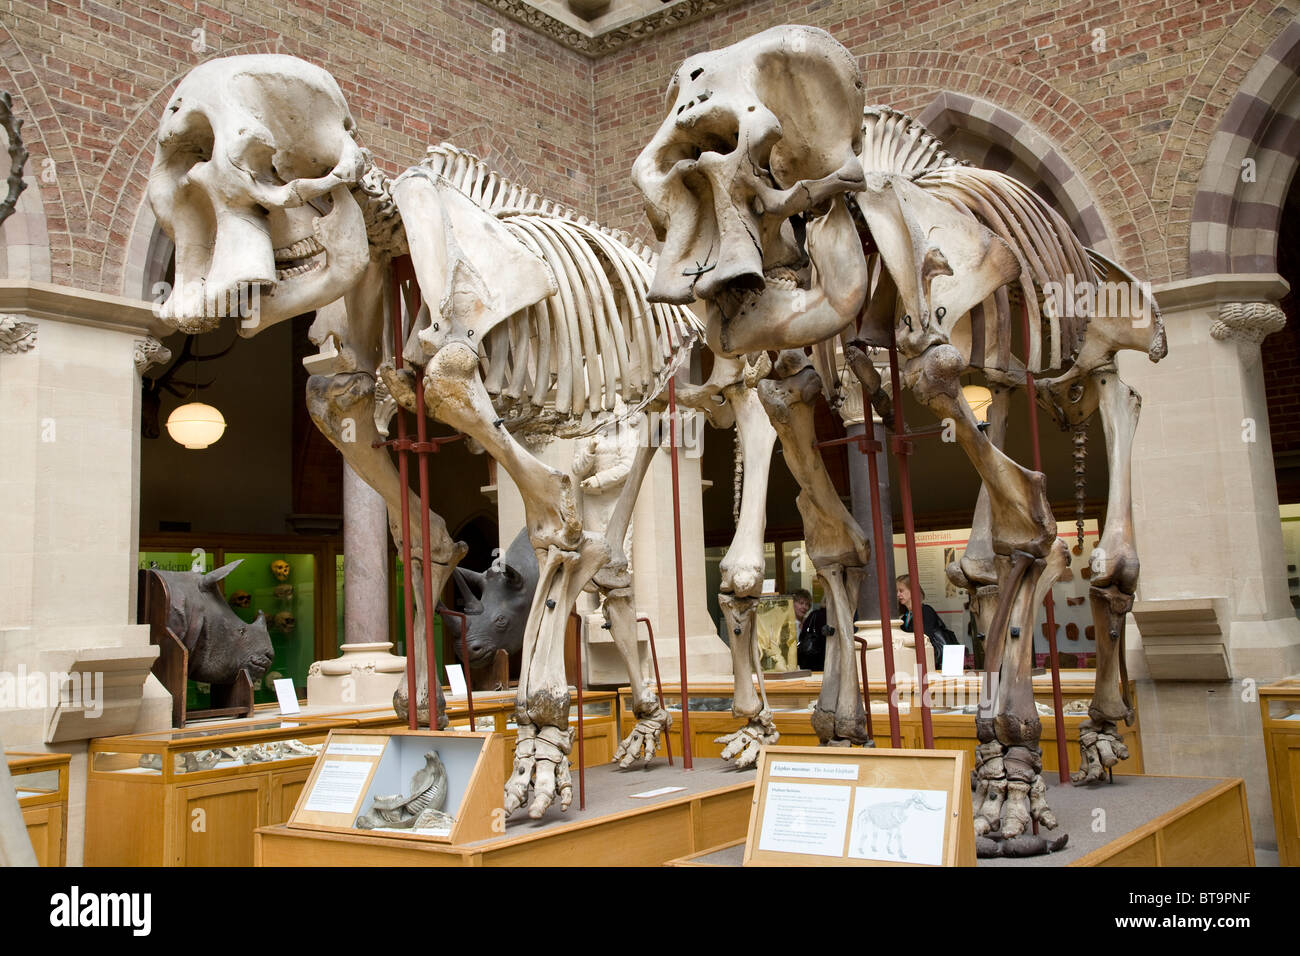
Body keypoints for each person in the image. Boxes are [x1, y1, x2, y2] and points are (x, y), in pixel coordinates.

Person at [896, 575, 959, 665]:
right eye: (897, 591)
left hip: (933, 662)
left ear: (912, 590)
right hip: (915, 661)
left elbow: (925, 637)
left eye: (901, 591)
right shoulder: (905, 617)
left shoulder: (926, 611)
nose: (898, 594)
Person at [793, 588, 828, 671]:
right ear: (793, 603)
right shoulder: (788, 623)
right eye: (801, 603)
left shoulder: (809, 622)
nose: (804, 607)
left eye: (807, 604)